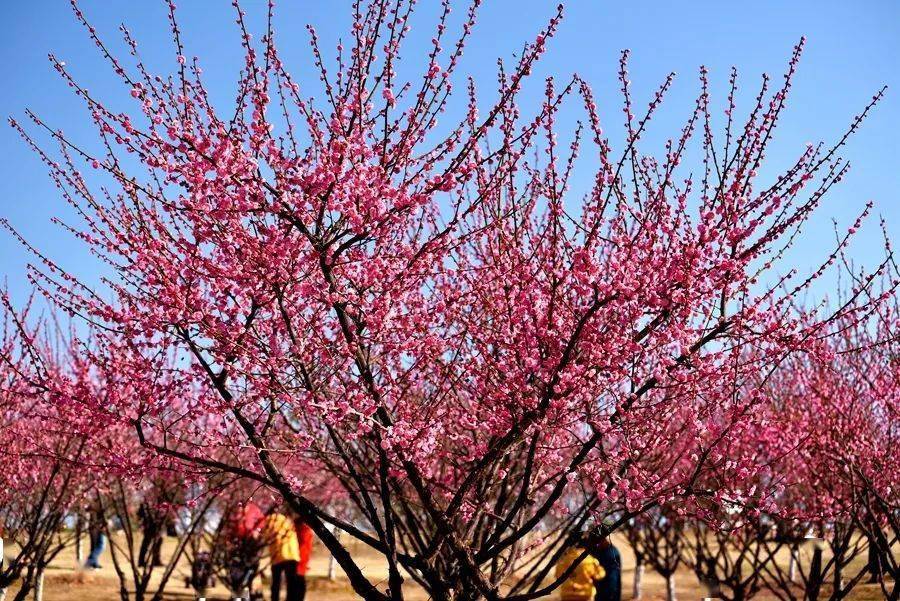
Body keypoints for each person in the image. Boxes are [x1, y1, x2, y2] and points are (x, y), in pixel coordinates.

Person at [262, 506, 302, 601]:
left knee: (276, 582)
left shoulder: (268, 520)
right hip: (292, 554)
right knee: (291, 583)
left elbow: (266, 536)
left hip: (277, 555)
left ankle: (274, 599)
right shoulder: (286, 520)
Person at [555, 536, 605, 601]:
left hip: (567, 595)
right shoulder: (590, 560)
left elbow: (557, 575)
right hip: (585, 594)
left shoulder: (564, 560)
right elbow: (600, 575)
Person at [589, 537, 622, 601]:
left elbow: (612, 577)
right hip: (604, 590)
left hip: (609, 591)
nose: (597, 545)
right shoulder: (601, 551)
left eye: (598, 543)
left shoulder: (611, 553)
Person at [294, 516, 314, 601]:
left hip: (300, 558)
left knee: (299, 579)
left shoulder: (304, 530)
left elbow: (303, 544)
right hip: (301, 557)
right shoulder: (305, 530)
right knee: (298, 580)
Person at [85, 505, 106, 570]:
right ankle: (89, 561)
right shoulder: (96, 505)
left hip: (96, 529)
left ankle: (94, 563)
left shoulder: (98, 504)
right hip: (97, 529)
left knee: (95, 546)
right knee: (100, 546)